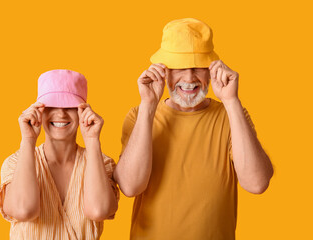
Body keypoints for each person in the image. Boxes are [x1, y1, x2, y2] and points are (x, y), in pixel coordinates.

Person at [113, 18, 274, 240]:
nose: (189, 78)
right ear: (164, 71)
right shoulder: (139, 115)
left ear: (211, 70)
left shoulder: (231, 115)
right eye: (178, 67)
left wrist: (231, 101)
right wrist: (148, 106)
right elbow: (130, 187)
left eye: (198, 67)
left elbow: (257, 183)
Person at [0, 69, 119, 239]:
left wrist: (92, 140)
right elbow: (23, 210)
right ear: (39, 110)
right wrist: (28, 139)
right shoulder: (15, 162)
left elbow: (99, 210)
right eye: (51, 106)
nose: (60, 113)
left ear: (83, 111)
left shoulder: (102, 162)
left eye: (70, 106)